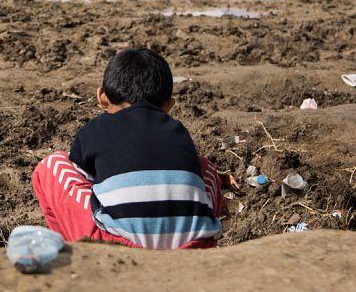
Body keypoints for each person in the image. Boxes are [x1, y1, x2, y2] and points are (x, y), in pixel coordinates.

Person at [32, 48, 225, 250]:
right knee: (205, 167)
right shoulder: (178, 131)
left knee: (51, 166)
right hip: (193, 245)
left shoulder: (97, 128)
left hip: (115, 245)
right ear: (169, 105)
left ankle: (77, 253)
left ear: (102, 97)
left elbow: (83, 177)